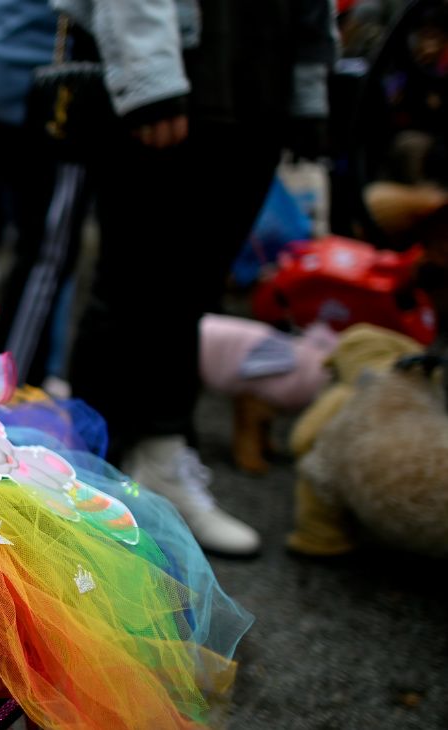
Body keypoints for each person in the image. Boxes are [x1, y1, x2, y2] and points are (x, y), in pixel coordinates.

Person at [57, 0, 337, 555]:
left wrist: (306, 91)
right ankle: (83, 483)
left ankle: (159, 462)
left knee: (189, 296)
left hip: (258, 85)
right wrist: (148, 76)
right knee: (129, 286)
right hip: (174, 73)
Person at [0, 0, 91, 387]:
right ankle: (8, 387)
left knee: (43, 250)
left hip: (10, 97)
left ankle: (33, 372)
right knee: (47, 254)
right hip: (53, 104)